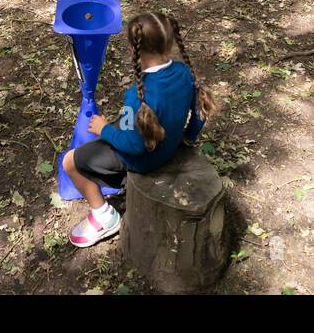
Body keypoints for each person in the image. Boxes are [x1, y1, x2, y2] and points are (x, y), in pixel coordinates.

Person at [61, 12, 216, 247]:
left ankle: (104, 217)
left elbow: (133, 145)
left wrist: (103, 129)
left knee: (70, 161)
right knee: (115, 129)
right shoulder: (184, 72)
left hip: (144, 161)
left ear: (134, 48)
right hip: (170, 147)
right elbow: (200, 111)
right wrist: (188, 138)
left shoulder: (136, 97)